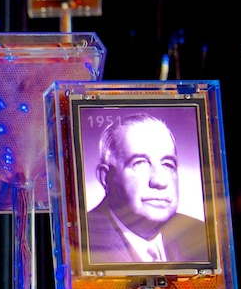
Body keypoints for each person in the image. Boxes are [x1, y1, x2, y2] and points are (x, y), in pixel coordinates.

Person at [85, 113, 209, 264]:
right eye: (140, 163)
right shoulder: (80, 241)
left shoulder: (200, 235)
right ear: (106, 177)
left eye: (167, 164)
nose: (159, 181)